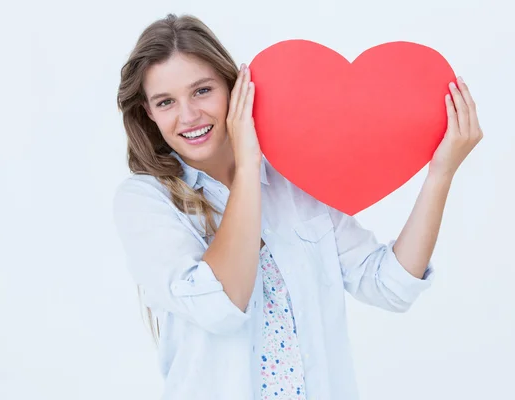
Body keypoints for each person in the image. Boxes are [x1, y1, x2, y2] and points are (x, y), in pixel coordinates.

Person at [113, 13, 483, 400]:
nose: (189, 116)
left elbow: (389, 286)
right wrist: (249, 163)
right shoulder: (144, 202)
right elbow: (220, 305)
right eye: (166, 101)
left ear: (233, 88)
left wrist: (441, 173)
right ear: (148, 113)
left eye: (202, 90)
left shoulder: (292, 180)